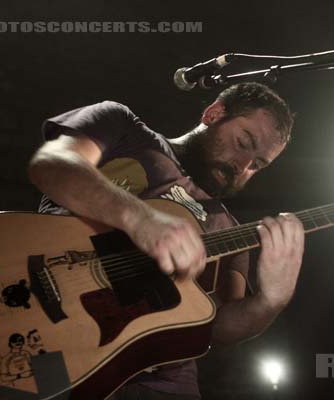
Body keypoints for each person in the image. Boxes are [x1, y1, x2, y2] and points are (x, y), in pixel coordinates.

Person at [28, 82, 304, 400]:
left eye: (257, 165)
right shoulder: (124, 126)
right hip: (47, 314)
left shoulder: (229, 230)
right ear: (214, 114)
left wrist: (269, 303)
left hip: (157, 375)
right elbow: (52, 165)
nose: (242, 167)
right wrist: (140, 219)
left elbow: (216, 328)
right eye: (243, 142)